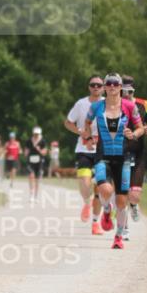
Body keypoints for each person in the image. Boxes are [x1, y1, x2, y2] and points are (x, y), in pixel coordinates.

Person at [83, 72, 144, 250]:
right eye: (108, 83)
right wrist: (89, 138)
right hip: (102, 155)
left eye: (115, 83)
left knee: (122, 201)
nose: (112, 86)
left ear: (120, 87)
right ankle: (107, 210)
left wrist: (133, 134)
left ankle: (118, 237)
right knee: (105, 189)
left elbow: (140, 128)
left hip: (123, 157)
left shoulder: (129, 106)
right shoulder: (96, 106)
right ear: (104, 87)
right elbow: (87, 123)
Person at [64, 74, 104, 234]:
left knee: (100, 188)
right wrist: (80, 132)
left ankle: (95, 223)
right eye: (93, 85)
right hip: (83, 150)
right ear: (89, 87)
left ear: (103, 87)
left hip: (102, 150)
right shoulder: (81, 104)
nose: (96, 87)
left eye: (99, 85)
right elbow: (68, 122)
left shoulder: (108, 104)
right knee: (86, 184)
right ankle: (87, 203)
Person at [122, 75, 147, 231]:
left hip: (138, 152)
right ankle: (123, 228)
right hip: (120, 152)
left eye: (129, 91)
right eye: (123, 91)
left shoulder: (144, 104)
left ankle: (134, 205)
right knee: (122, 193)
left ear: (133, 90)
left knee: (134, 196)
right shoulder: (115, 105)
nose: (126, 95)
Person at [25, 126, 48, 202]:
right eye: (35, 134)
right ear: (33, 133)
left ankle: (36, 196)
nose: (36, 135)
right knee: (31, 176)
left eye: (37, 134)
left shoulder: (43, 141)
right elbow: (26, 152)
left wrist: (39, 150)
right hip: (30, 161)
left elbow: (44, 153)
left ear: (39, 134)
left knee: (37, 179)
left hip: (39, 162)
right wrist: (26, 153)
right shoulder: (29, 141)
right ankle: (31, 194)